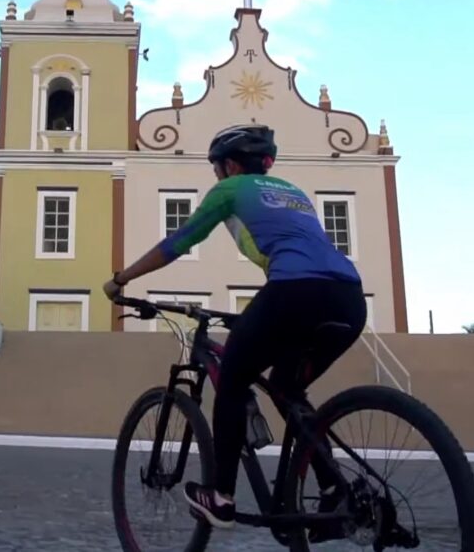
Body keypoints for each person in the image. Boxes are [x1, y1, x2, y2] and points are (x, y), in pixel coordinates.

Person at [103, 123, 368, 537]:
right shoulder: (293, 194)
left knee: (231, 380)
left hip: (294, 293)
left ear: (229, 166)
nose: (216, 177)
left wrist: (122, 279)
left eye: (216, 170)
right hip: (350, 299)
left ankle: (221, 497)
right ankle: (335, 489)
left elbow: (179, 243)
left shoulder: (230, 190)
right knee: (287, 388)